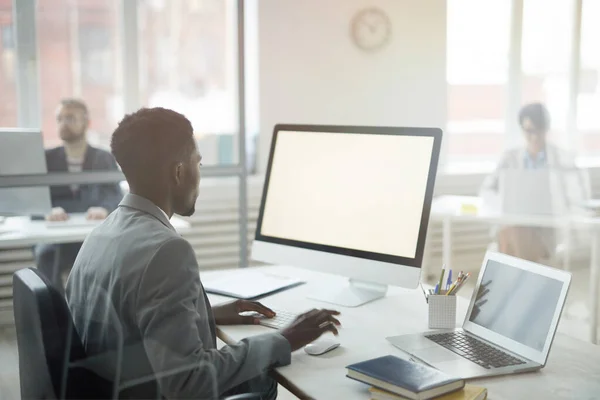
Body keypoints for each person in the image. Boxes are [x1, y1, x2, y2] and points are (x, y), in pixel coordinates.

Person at [66, 107, 341, 399]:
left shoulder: (101, 234)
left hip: (118, 385)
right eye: (198, 163)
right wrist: (284, 340)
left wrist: (205, 314)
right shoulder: (167, 250)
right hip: (148, 391)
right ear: (179, 171)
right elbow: (187, 383)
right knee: (262, 378)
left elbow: (124, 320)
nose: (199, 174)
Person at [480, 102, 590, 262]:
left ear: (546, 129)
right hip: (513, 223)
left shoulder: (562, 159)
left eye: (540, 131)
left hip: (546, 230)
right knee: (512, 230)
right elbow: (488, 190)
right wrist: (503, 203)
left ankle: (513, 282)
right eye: (530, 131)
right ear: (522, 130)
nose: (535, 137)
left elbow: (577, 195)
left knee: (511, 235)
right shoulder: (509, 158)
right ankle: (523, 280)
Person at [34, 98, 123, 290]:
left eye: (70, 118)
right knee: (45, 254)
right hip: (56, 237)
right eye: (59, 119)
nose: (63, 123)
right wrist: (46, 209)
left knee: (109, 257)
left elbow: (116, 195)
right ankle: (54, 313)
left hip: (91, 235)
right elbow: (32, 198)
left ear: (87, 123)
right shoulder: (46, 158)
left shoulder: (103, 157)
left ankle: (94, 312)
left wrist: (105, 209)